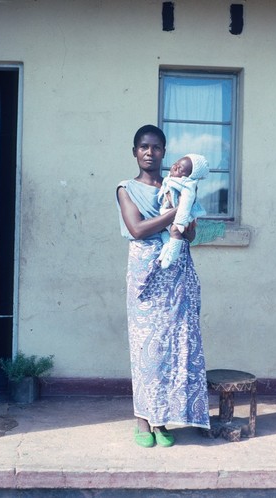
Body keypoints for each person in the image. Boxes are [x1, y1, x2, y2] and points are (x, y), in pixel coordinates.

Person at [116, 124, 210, 448]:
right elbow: (137, 228)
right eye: (143, 146)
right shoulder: (126, 189)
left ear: (163, 152)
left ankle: (162, 420)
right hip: (144, 275)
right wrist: (173, 214)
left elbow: (192, 236)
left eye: (156, 147)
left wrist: (187, 207)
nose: (149, 152)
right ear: (134, 152)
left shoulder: (178, 186)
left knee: (170, 348)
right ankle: (142, 418)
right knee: (145, 348)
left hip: (177, 274)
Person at [158, 153, 209, 269]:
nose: (175, 167)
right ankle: (167, 247)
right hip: (170, 214)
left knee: (175, 231)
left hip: (183, 216)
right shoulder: (171, 179)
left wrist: (179, 223)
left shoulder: (187, 186)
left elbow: (185, 204)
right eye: (176, 164)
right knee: (165, 232)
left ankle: (173, 254)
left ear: (187, 176)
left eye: (180, 168)